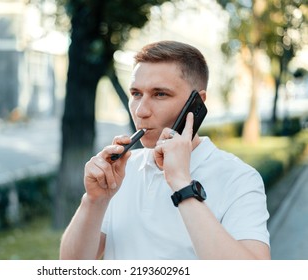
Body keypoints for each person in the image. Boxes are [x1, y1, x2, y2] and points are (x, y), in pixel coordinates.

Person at [59, 40, 270, 260]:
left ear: (197, 103)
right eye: (136, 93)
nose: (141, 111)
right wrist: (94, 200)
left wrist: (182, 183)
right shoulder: (121, 171)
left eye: (160, 94)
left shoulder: (239, 178)